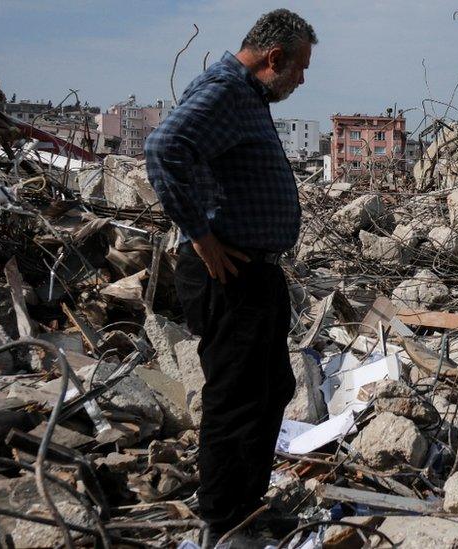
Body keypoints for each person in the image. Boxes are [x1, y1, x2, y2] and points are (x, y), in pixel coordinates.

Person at [144, 8, 316, 541]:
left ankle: (246, 505)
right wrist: (201, 235)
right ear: (275, 57)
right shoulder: (226, 89)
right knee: (237, 396)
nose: (303, 79)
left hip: (253, 269)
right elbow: (163, 146)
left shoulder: (246, 96)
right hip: (227, 268)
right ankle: (224, 521)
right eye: (301, 67)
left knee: (271, 387)